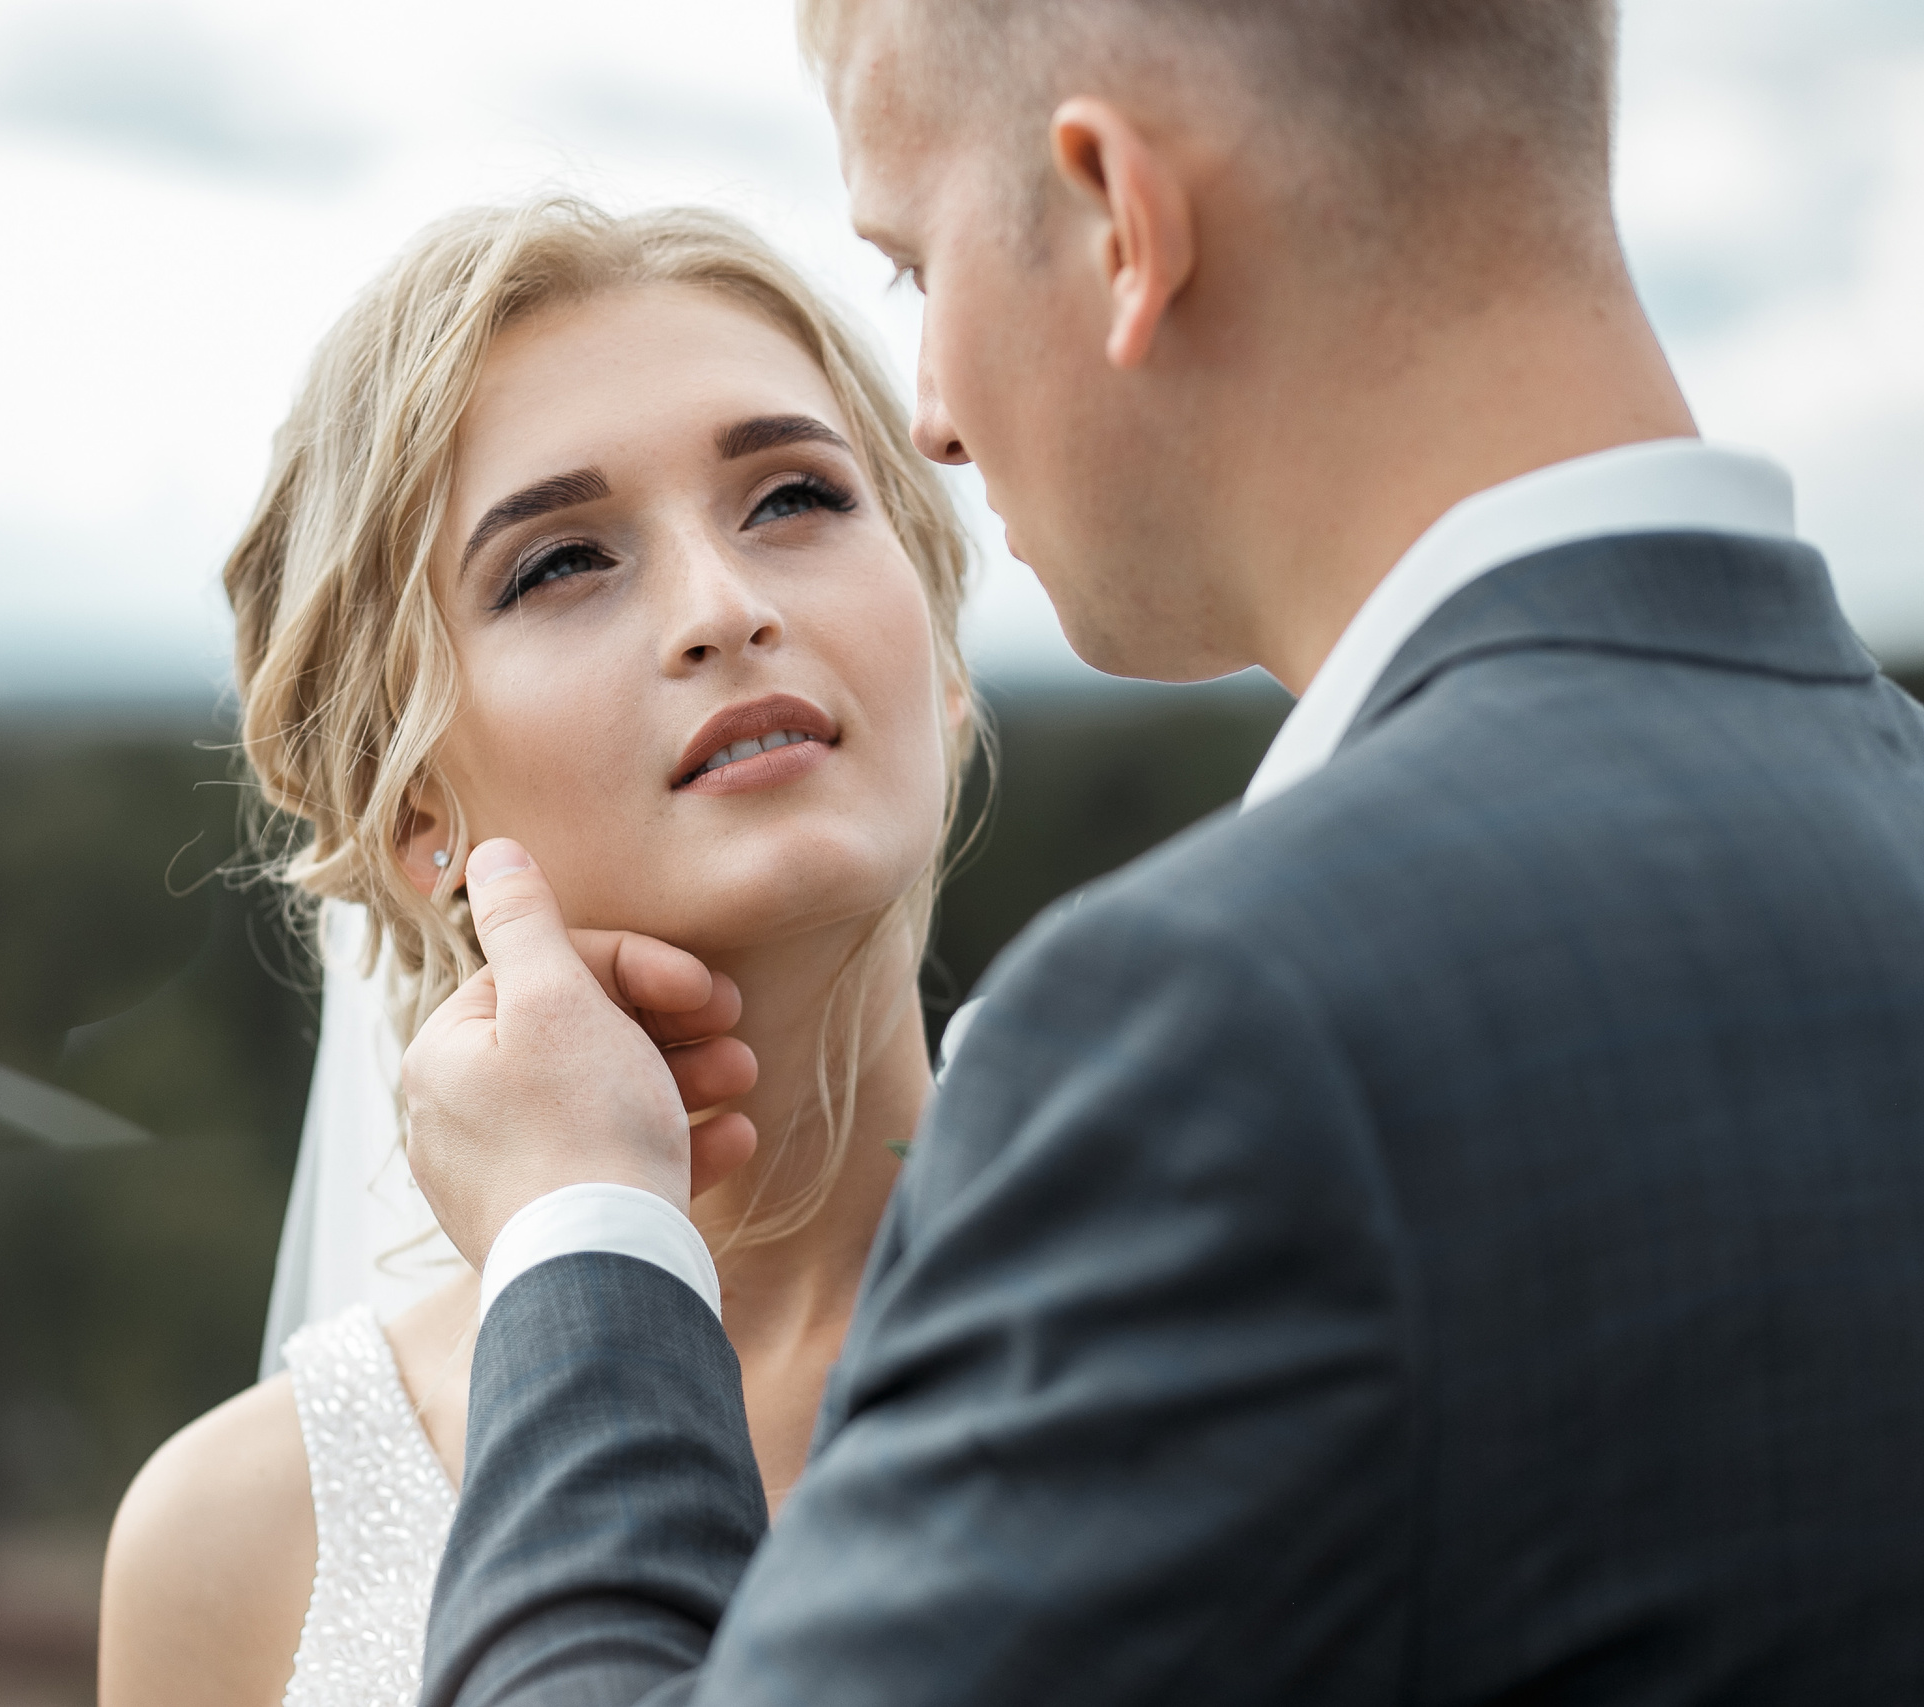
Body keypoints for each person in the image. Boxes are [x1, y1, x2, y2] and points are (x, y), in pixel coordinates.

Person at [404, 2, 1924, 1703]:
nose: (936, 422)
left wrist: (577, 1230)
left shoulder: (1226, 1037)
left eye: (915, 270)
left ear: (1119, 218)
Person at [95, 199, 983, 1707]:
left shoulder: (1206, 1282)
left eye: (795, 500)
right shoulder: (233, 1536)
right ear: (413, 807)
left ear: (944, 658)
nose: (725, 608)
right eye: (561, 562)